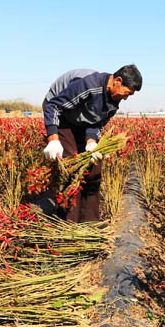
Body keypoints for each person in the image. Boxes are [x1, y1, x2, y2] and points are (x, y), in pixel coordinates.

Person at [41, 65, 142, 222]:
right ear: (118, 81)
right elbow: (54, 107)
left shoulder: (113, 102)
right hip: (60, 114)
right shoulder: (88, 85)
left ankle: (89, 223)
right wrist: (53, 139)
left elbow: (96, 123)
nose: (125, 98)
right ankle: (69, 224)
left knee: (94, 169)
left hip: (79, 117)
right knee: (73, 168)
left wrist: (91, 142)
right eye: (126, 93)